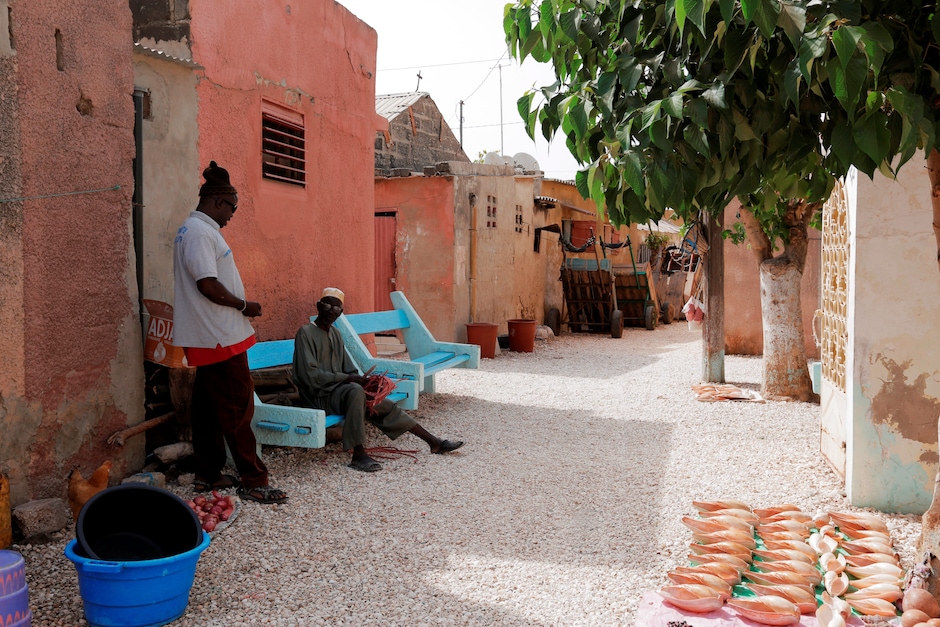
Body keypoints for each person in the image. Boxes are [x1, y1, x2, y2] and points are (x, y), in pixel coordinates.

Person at [172, 161, 288, 504]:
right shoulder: (199, 233)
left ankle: (207, 474)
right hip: (218, 335)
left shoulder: (196, 231)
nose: (232, 215)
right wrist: (244, 305)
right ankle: (254, 479)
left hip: (211, 335)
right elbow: (208, 285)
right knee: (238, 409)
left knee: (208, 410)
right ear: (217, 202)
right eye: (232, 208)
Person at [293, 288, 464, 472]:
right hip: (318, 395)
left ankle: (433, 442)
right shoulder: (305, 333)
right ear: (319, 306)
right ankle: (358, 455)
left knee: (381, 402)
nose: (331, 312)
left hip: (339, 393)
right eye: (327, 305)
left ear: (340, 313)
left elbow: (349, 368)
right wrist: (348, 379)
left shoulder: (335, 334)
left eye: (337, 309)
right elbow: (309, 375)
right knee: (355, 392)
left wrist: (366, 383)